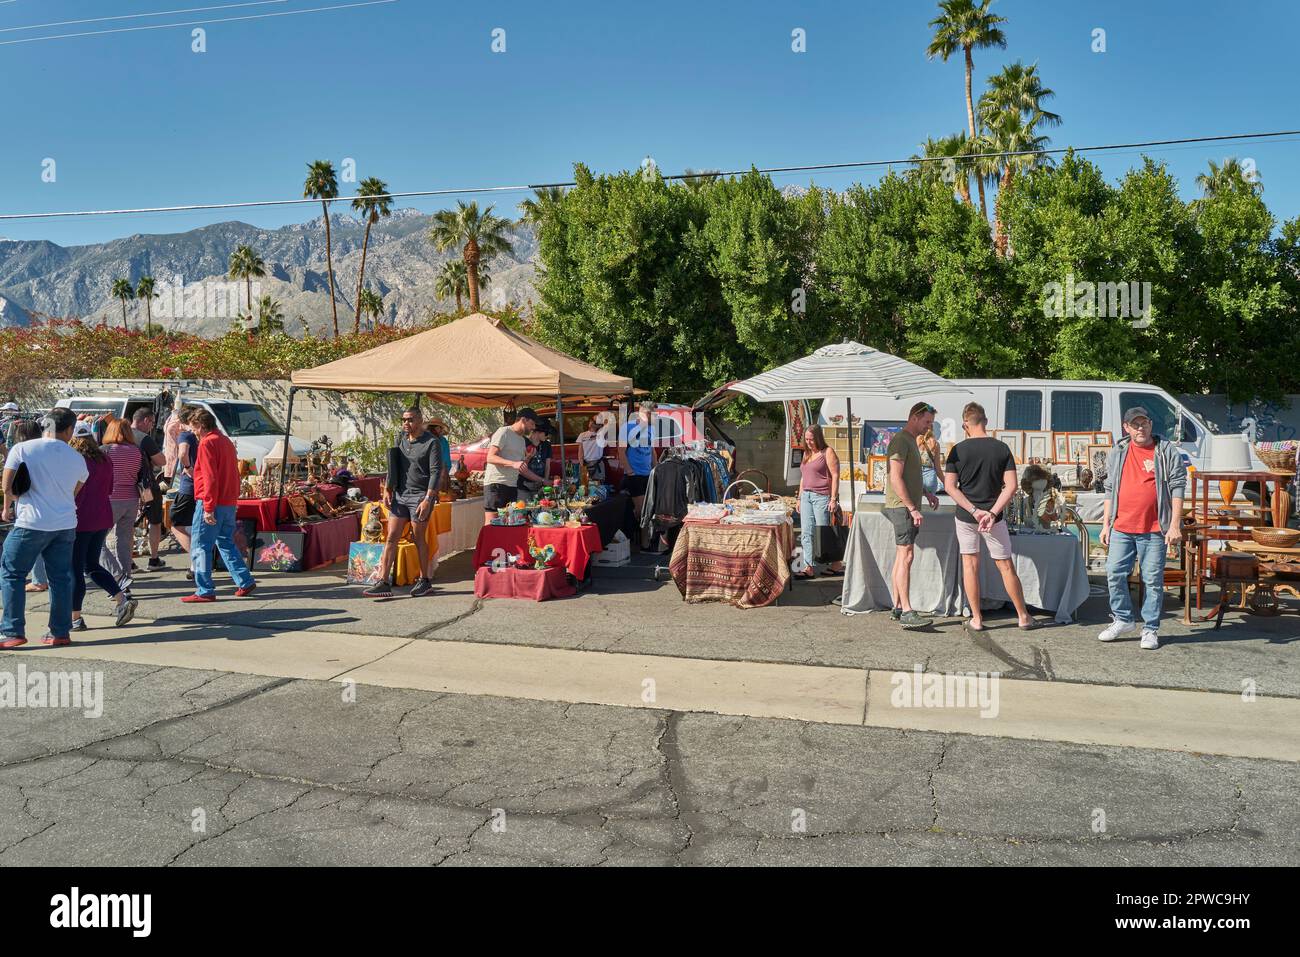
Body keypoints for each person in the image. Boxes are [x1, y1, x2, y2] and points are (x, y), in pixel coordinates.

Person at [1099, 406, 1187, 650]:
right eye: (1135, 424)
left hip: (1154, 528)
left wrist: (1175, 525)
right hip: (1122, 527)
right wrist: (1106, 524)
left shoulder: (1165, 450)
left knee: (1152, 580)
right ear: (1126, 428)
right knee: (1114, 573)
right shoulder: (1118, 451)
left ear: (1150, 424)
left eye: (1144, 423)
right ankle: (1123, 619)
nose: (1141, 428)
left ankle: (1150, 629)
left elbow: (1178, 486)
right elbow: (1110, 489)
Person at [943, 402, 1036, 631]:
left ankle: (977, 618)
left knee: (970, 565)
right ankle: (1023, 615)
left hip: (966, 516)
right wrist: (992, 512)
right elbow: (1011, 486)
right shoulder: (1001, 448)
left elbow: (950, 487)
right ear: (985, 421)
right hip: (995, 517)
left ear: (965, 424)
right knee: (1005, 565)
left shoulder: (957, 450)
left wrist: (974, 511)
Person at [0, 408, 87, 648]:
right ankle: (59, 632)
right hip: (65, 524)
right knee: (60, 578)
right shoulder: (77, 458)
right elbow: (74, 492)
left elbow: (7, 486)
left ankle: (12, 630)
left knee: (12, 573)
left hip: (31, 522)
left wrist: (19, 501)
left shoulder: (22, 449)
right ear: (70, 429)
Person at [362, 406, 444, 599]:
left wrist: (428, 498)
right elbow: (393, 465)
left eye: (410, 420)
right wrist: (388, 489)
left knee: (418, 538)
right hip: (400, 494)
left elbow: (436, 472)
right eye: (403, 420)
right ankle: (383, 581)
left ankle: (424, 580)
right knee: (391, 537)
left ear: (420, 420)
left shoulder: (431, 442)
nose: (406, 423)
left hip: (420, 495)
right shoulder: (400, 438)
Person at [185, 408, 257, 602]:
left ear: (200, 426)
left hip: (213, 501)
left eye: (193, 428)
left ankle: (204, 589)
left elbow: (209, 477)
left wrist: (208, 506)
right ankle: (244, 580)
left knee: (200, 546)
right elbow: (232, 473)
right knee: (225, 542)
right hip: (227, 501)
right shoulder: (225, 440)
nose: (192, 432)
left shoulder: (207, 443)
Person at [68, 434, 137, 633]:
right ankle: (121, 599)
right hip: (101, 516)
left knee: (75, 568)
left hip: (81, 518)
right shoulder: (104, 459)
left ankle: (76, 617)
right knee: (91, 564)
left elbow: (72, 491)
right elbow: (108, 489)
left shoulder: (76, 461)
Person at [884, 402, 941, 628]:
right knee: (906, 556)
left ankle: (898, 607)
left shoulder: (909, 441)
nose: (928, 426)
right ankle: (907, 610)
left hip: (905, 505)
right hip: (901, 506)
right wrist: (912, 507)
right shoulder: (901, 440)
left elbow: (909, 476)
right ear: (915, 417)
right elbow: (895, 477)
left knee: (902, 556)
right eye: (927, 421)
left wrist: (926, 493)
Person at [98, 417, 145, 592]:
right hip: (132, 498)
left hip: (111, 498)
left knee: (97, 542)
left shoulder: (105, 450)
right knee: (124, 541)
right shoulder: (136, 450)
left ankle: (118, 576)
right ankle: (126, 576)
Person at [5, 420, 50, 594]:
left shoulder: (19, 451)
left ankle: (39, 580)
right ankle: (42, 579)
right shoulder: (50, 451)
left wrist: (7, 506)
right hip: (54, 509)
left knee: (12, 563)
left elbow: (9, 486)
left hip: (28, 509)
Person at [795, 425, 843, 578]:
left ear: (818, 438)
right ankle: (808, 567)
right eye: (807, 439)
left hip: (822, 496)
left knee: (824, 532)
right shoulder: (807, 453)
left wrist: (833, 498)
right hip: (806, 497)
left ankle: (836, 564)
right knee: (806, 533)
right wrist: (799, 497)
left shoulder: (827, 452)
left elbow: (835, 475)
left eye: (811, 439)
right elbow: (803, 477)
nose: (808, 442)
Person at [482, 408, 545, 525]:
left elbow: (521, 468)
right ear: (523, 420)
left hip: (512, 485)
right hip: (496, 484)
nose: (533, 427)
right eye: (532, 423)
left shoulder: (521, 440)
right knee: (491, 524)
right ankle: (487, 544)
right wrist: (513, 463)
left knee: (509, 524)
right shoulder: (503, 432)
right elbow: (490, 457)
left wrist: (528, 459)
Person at [132, 408, 167, 569]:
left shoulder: (117, 436)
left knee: (128, 523)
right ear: (145, 420)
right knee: (154, 520)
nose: (152, 426)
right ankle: (154, 558)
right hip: (145, 487)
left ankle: (127, 560)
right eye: (152, 422)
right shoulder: (144, 438)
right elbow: (161, 461)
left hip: (125, 487)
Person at [170, 406, 201, 580]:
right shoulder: (200, 435)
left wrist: (188, 468)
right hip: (200, 486)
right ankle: (195, 565)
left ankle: (198, 560)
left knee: (176, 524)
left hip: (189, 487)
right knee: (193, 526)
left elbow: (182, 453)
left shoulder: (186, 434)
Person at [516, 419, 555, 501]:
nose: (548, 436)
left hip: (539, 486)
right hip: (524, 486)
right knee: (524, 510)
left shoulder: (546, 445)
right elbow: (521, 468)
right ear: (538, 432)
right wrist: (529, 457)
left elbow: (547, 466)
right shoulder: (524, 443)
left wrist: (545, 482)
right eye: (546, 433)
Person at [578, 413, 612, 485]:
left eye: (594, 421)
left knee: (598, 487)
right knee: (585, 486)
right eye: (591, 420)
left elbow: (609, 426)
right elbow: (580, 452)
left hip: (598, 464)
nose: (592, 422)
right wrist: (582, 466)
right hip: (585, 464)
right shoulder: (582, 435)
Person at [428, 418, 453, 493]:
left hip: (439, 474)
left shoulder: (443, 441)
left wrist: (443, 475)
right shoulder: (426, 440)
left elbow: (446, 462)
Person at [918, 427, 944, 497]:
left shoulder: (914, 440)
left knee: (915, 504)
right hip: (930, 476)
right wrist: (946, 483)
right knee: (931, 503)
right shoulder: (935, 444)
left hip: (916, 475)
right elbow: (938, 469)